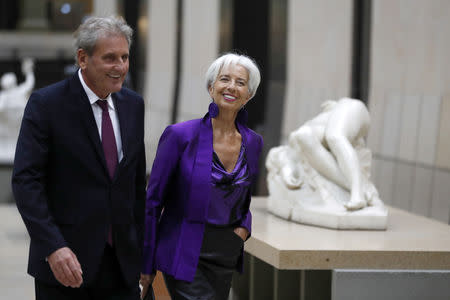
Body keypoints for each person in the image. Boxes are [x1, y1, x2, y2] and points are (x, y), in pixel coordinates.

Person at [12, 16, 146, 300]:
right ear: (83, 58)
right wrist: (52, 246)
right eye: (110, 58)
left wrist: (144, 255)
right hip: (65, 264)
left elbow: (135, 187)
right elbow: (26, 182)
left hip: (123, 267)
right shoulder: (46, 104)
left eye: (124, 57)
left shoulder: (134, 105)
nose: (120, 66)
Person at [140, 53, 263, 300]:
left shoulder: (254, 142)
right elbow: (152, 203)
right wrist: (145, 265)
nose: (231, 87)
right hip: (184, 251)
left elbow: (245, 201)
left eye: (240, 82)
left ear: (248, 95)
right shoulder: (179, 136)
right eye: (224, 79)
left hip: (225, 254)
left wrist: (241, 232)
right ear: (211, 87)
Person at [289, 98, 374, 210]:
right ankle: (357, 191)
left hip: (349, 106)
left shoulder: (297, 140)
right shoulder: (303, 137)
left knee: (334, 136)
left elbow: (282, 158)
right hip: (344, 120)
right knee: (327, 136)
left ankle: (357, 193)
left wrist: (287, 171)